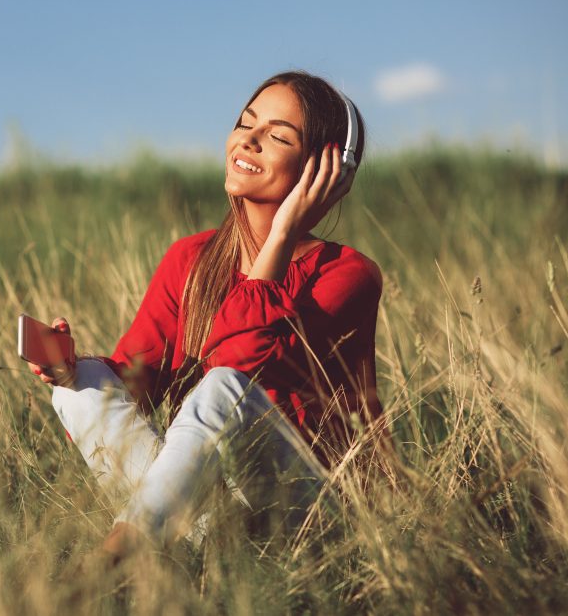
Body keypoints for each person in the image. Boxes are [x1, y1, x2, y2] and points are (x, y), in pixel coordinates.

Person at [26, 70, 385, 561]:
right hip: (211, 510)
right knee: (84, 383)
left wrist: (282, 234)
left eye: (279, 136)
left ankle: (109, 562)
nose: (249, 140)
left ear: (325, 171)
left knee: (224, 389)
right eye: (246, 123)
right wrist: (68, 368)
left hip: (309, 518)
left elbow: (239, 363)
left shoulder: (348, 276)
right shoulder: (190, 259)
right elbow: (138, 381)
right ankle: (184, 551)